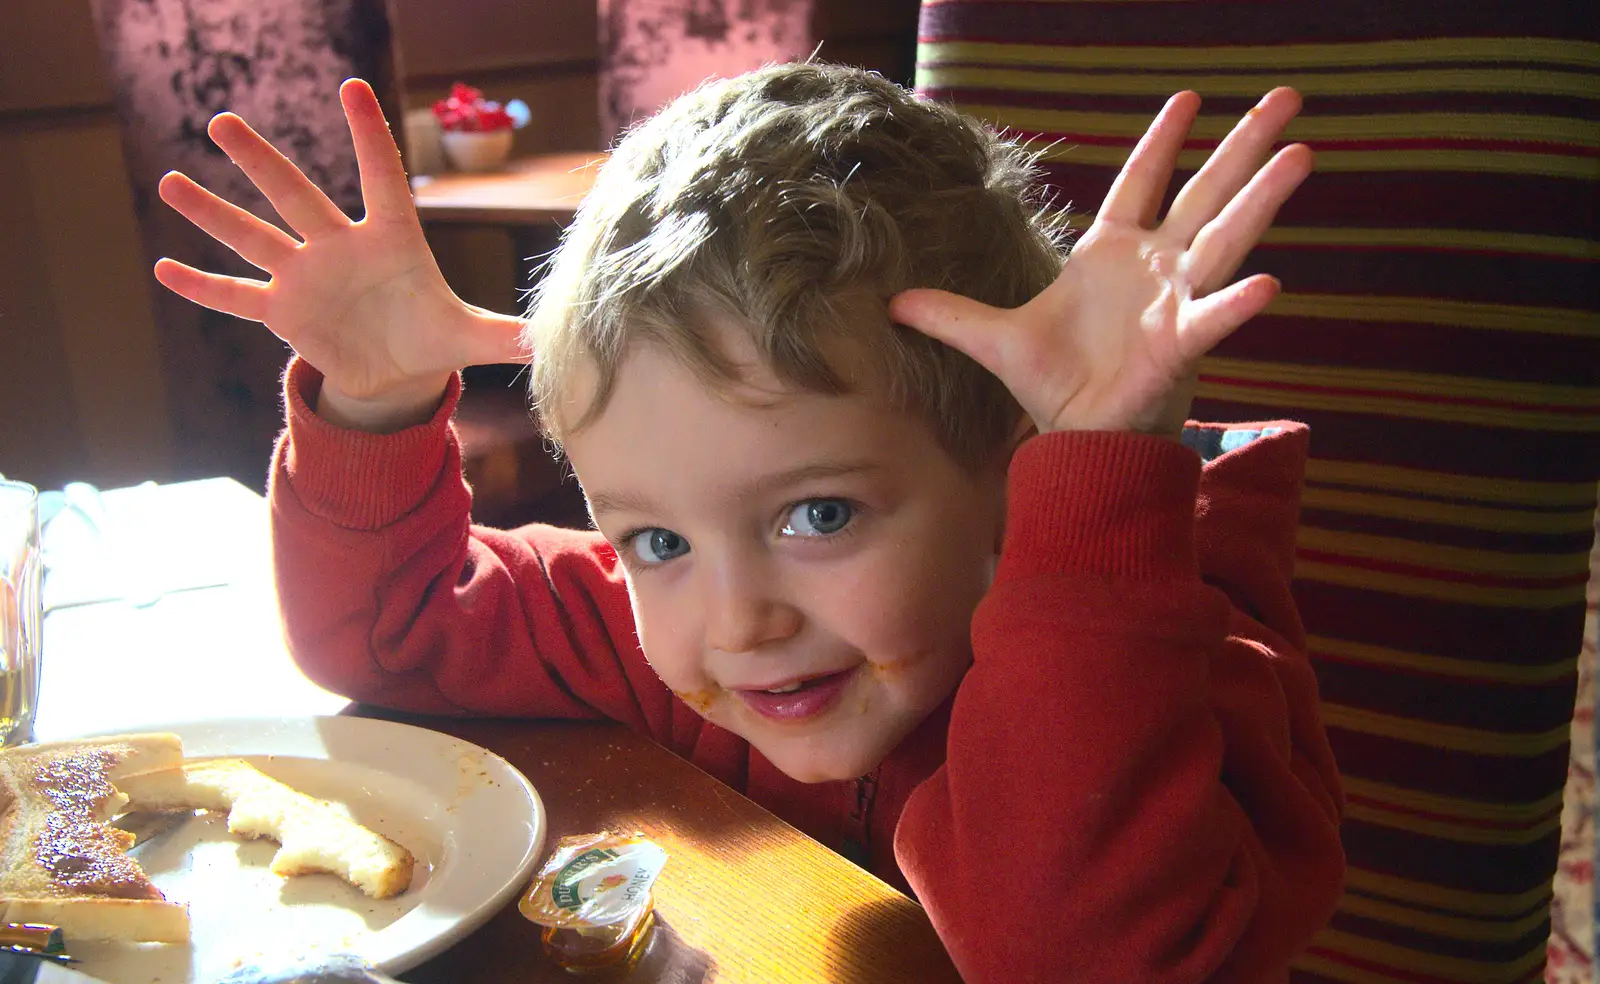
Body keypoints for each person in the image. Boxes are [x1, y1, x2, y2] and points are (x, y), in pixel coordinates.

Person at [153, 62, 1344, 982]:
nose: (738, 623)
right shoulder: (661, 636)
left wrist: (1098, 488)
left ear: (1017, 470)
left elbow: (1074, 958)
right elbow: (391, 629)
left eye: (818, 514)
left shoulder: (1188, 687)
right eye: (655, 539)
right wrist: (374, 406)